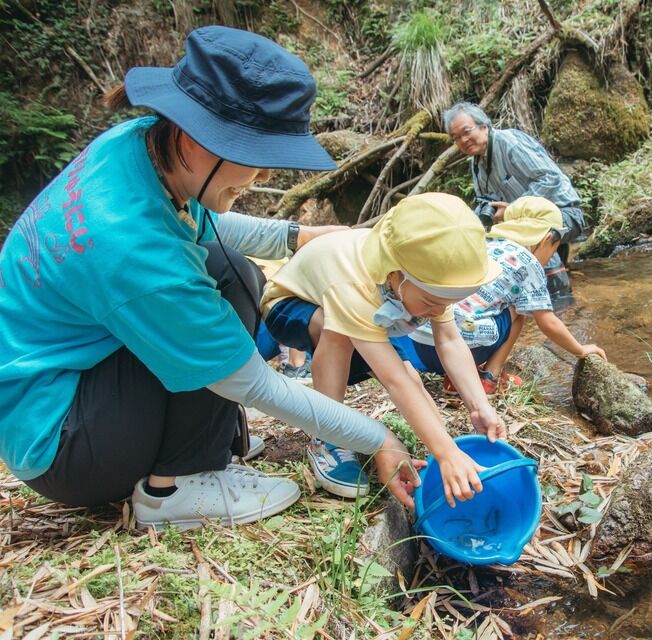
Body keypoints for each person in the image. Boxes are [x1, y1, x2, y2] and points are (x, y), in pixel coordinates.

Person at [0, 26, 421, 531]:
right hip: (65, 446)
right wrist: (378, 439)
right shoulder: (136, 251)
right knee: (222, 286)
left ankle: (202, 443)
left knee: (230, 268)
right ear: (195, 138)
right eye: (256, 153)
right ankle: (175, 487)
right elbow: (255, 383)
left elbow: (206, 223)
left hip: (71, 385)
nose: (264, 176)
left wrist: (299, 235)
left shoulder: (136, 147)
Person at [259, 193, 507, 506]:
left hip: (373, 311)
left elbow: (449, 340)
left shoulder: (427, 277)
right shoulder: (353, 281)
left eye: (447, 303)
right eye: (432, 302)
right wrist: (446, 453)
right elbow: (393, 382)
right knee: (338, 331)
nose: (438, 311)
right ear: (394, 274)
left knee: (408, 372)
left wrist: (478, 405)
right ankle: (326, 436)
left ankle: (442, 451)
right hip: (291, 307)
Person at [392, 197, 606, 392]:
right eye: (555, 247)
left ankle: (458, 377)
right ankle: (489, 377)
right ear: (547, 238)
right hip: (460, 351)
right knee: (517, 312)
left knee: (479, 308)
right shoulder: (528, 262)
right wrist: (580, 350)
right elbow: (547, 321)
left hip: (420, 348)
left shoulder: (485, 245)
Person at [442, 102, 586, 310]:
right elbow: (486, 202)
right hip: (525, 223)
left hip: (565, 214)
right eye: (456, 138)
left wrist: (513, 210)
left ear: (484, 126)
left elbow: (550, 178)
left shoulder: (509, 142)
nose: (463, 140)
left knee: (527, 238)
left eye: (466, 131)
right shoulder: (476, 164)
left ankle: (563, 305)